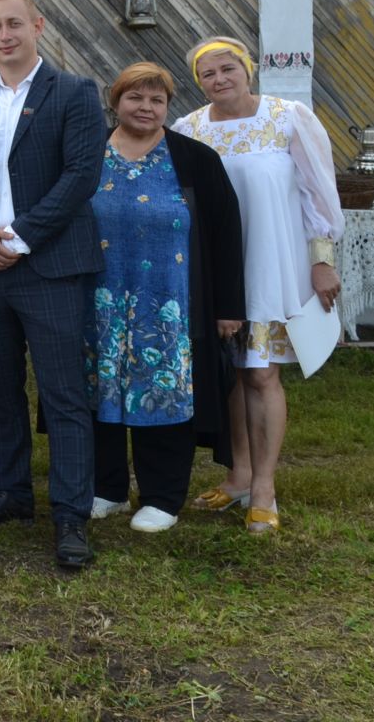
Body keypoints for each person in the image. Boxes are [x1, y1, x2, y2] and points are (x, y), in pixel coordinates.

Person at [0, 0, 105, 570]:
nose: (4, 36)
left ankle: (71, 516)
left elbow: (83, 174)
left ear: (38, 25)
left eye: (15, 24)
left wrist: (22, 235)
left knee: (64, 396)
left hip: (51, 265)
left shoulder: (75, 93)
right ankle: (13, 493)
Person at [171, 37, 343, 535]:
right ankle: (238, 475)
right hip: (217, 269)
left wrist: (323, 260)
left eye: (228, 69)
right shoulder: (189, 129)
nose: (220, 79)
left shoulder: (289, 118)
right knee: (229, 374)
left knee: (262, 375)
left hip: (272, 263)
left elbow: (319, 193)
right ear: (198, 82)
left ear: (248, 70)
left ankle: (265, 487)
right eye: (208, 74)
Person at [88, 63, 247, 534]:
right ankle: (108, 488)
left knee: (163, 393)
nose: (146, 107)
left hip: (171, 305)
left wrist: (228, 308)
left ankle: (162, 496)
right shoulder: (87, 153)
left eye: (157, 100)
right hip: (99, 300)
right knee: (100, 392)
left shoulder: (195, 159)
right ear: (115, 102)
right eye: (136, 98)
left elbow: (225, 233)